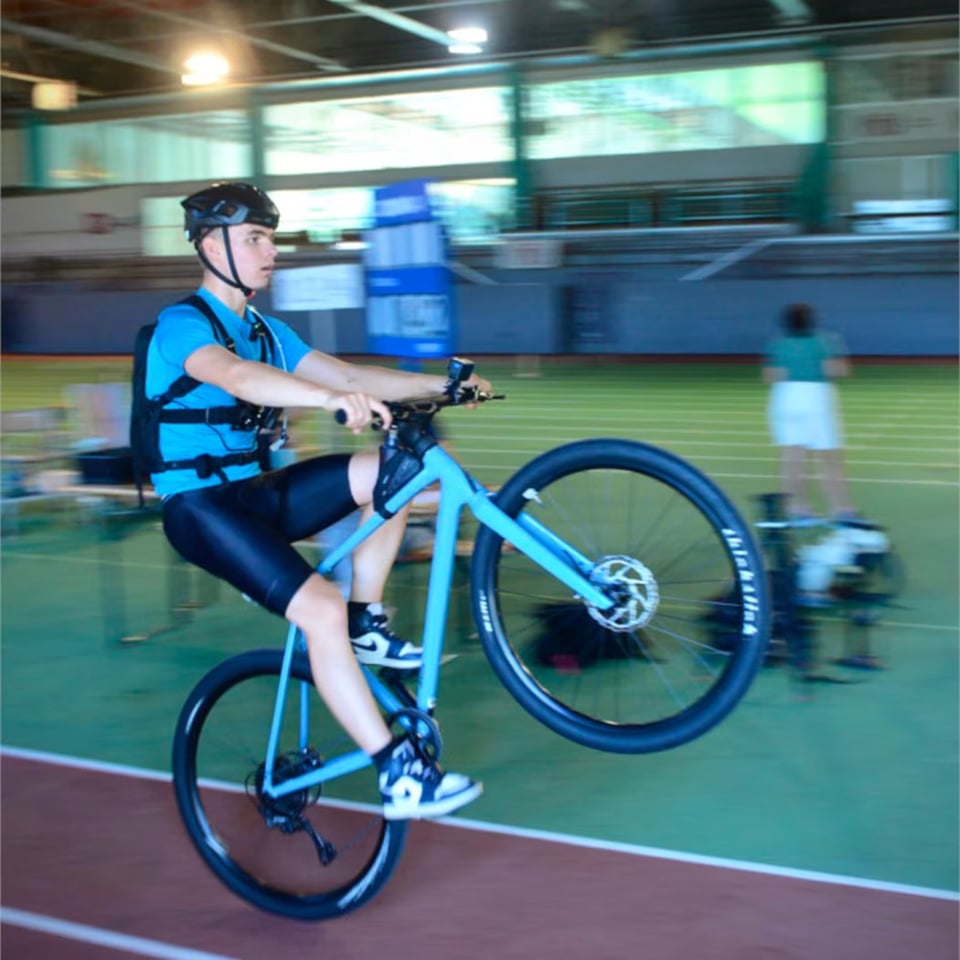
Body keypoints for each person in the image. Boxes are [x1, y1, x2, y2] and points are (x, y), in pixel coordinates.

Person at [147, 181, 490, 820]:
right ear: (209, 245)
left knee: (398, 469)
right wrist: (324, 400)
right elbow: (235, 376)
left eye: (270, 239)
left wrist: (442, 386)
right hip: (201, 509)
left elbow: (353, 376)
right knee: (317, 610)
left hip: (257, 495)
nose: (269, 252)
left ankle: (368, 618)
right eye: (254, 239)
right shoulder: (182, 325)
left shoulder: (267, 330)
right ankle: (399, 775)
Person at [762, 302, 858, 525]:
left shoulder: (778, 344)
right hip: (816, 399)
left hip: (784, 398)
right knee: (829, 458)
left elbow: (769, 376)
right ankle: (842, 509)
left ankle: (798, 508)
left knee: (793, 458)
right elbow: (839, 370)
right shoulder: (824, 341)